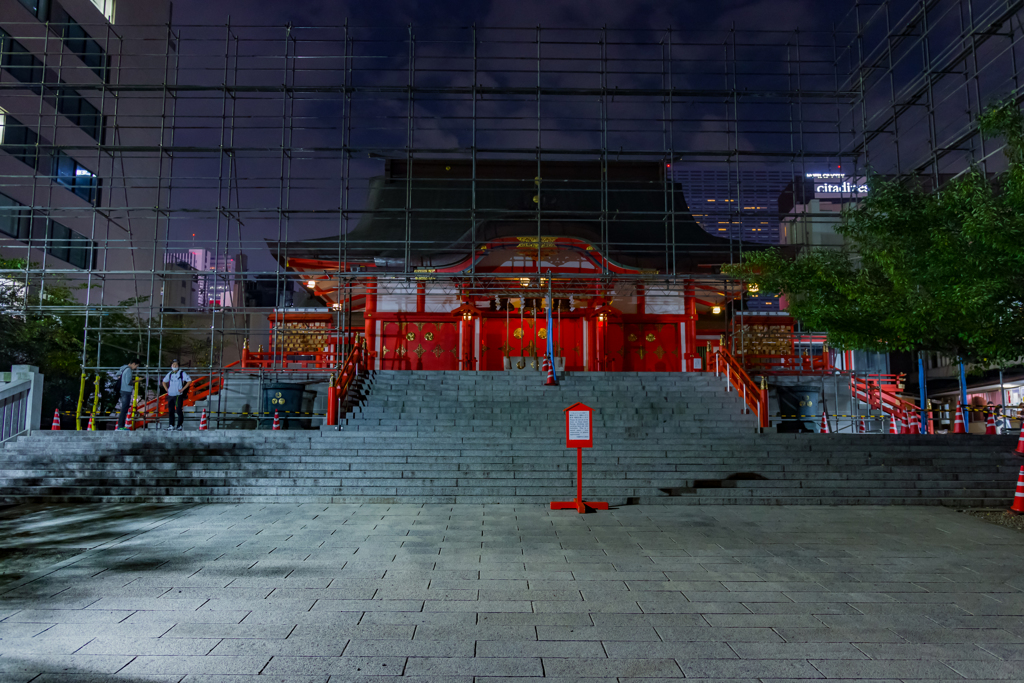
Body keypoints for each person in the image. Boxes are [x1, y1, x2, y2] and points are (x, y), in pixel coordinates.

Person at [161, 360, 192, 431]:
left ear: (178, 366)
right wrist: (167, 389)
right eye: (173, 365)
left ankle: (179, 426)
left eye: (176, 365)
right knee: (171, 410)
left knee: (178, 410)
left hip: (178, 395)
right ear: (171, 366)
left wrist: (183, 389)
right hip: (170, 394)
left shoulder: (181, 373)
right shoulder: (170, 373)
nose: (174, 366)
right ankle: (171, 425)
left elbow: (189, 380)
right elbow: (164, 381)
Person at [114, 358, 140, 430]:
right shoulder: (128, 370)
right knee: (124, 409)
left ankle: (120, 426)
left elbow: (118, 375)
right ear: (133, 363)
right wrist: (138, 380)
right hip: (126, 391)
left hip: (122, 390)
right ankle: (121, 426)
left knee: (124, 409)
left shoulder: (123, 368)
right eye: (136, 366)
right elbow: (129, 382)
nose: (136, 368)